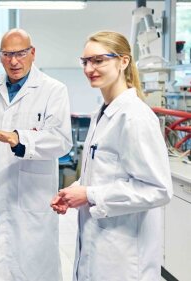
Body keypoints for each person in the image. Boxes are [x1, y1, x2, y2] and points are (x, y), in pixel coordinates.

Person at [51, 31, 173, 281]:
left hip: (124, 257)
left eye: (99, 60)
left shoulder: (134, 116)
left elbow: (158, 189)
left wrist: (90, 194)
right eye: (85, 61)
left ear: (123, 62)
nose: (89, 68)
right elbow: (104, 172)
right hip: (99, 244)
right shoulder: (101, 113)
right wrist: (75, 191)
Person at [0, 28, 72, 281]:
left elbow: (61, 141)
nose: (14, 61)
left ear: (33, 53)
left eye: (20, 53)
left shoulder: (53, 90)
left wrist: (20, 139)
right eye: (7, 54)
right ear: (0, 56)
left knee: (35, 268)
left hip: (34, 198)